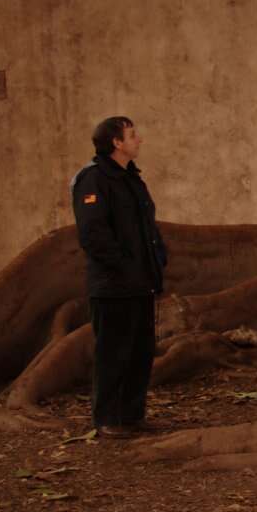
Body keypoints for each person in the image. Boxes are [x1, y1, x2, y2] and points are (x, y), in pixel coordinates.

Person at [70, 116, 169, 438]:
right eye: (132, 135)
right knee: (113, 354)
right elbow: (93, 234)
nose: (139, 140)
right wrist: (124, 267)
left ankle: (132, 415)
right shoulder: (93, 180)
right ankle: (108, 419)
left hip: (141, 284)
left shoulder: (131, 179)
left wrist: (156, 263)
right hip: (113, 287)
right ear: (116, 142)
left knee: (141, 352)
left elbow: (145, 230)